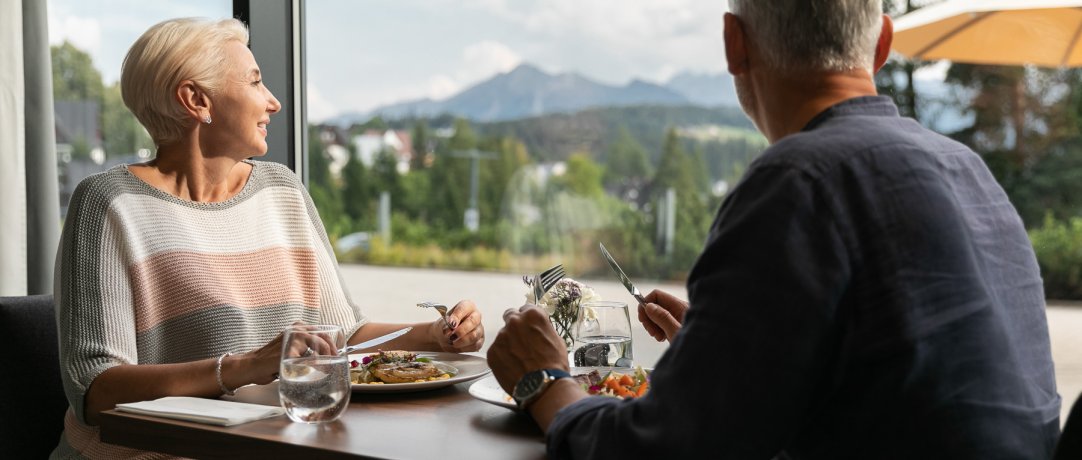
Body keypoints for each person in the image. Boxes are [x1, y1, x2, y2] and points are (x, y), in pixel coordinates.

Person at [487, 1, 1062, 458]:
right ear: (882, 44)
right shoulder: (967, 168)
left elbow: (664, 451)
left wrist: (546, 382)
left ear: (734, 44)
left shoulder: (798, 178)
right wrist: (724, 351)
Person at [51, 17, 484, 459]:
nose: (273, 102)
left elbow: (343, 336)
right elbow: (94, 390)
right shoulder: (109, 204)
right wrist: (248, 366)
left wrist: (435, 334)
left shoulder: (282, 190)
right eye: (255, 82)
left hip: (270, 446)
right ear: (197, 100)